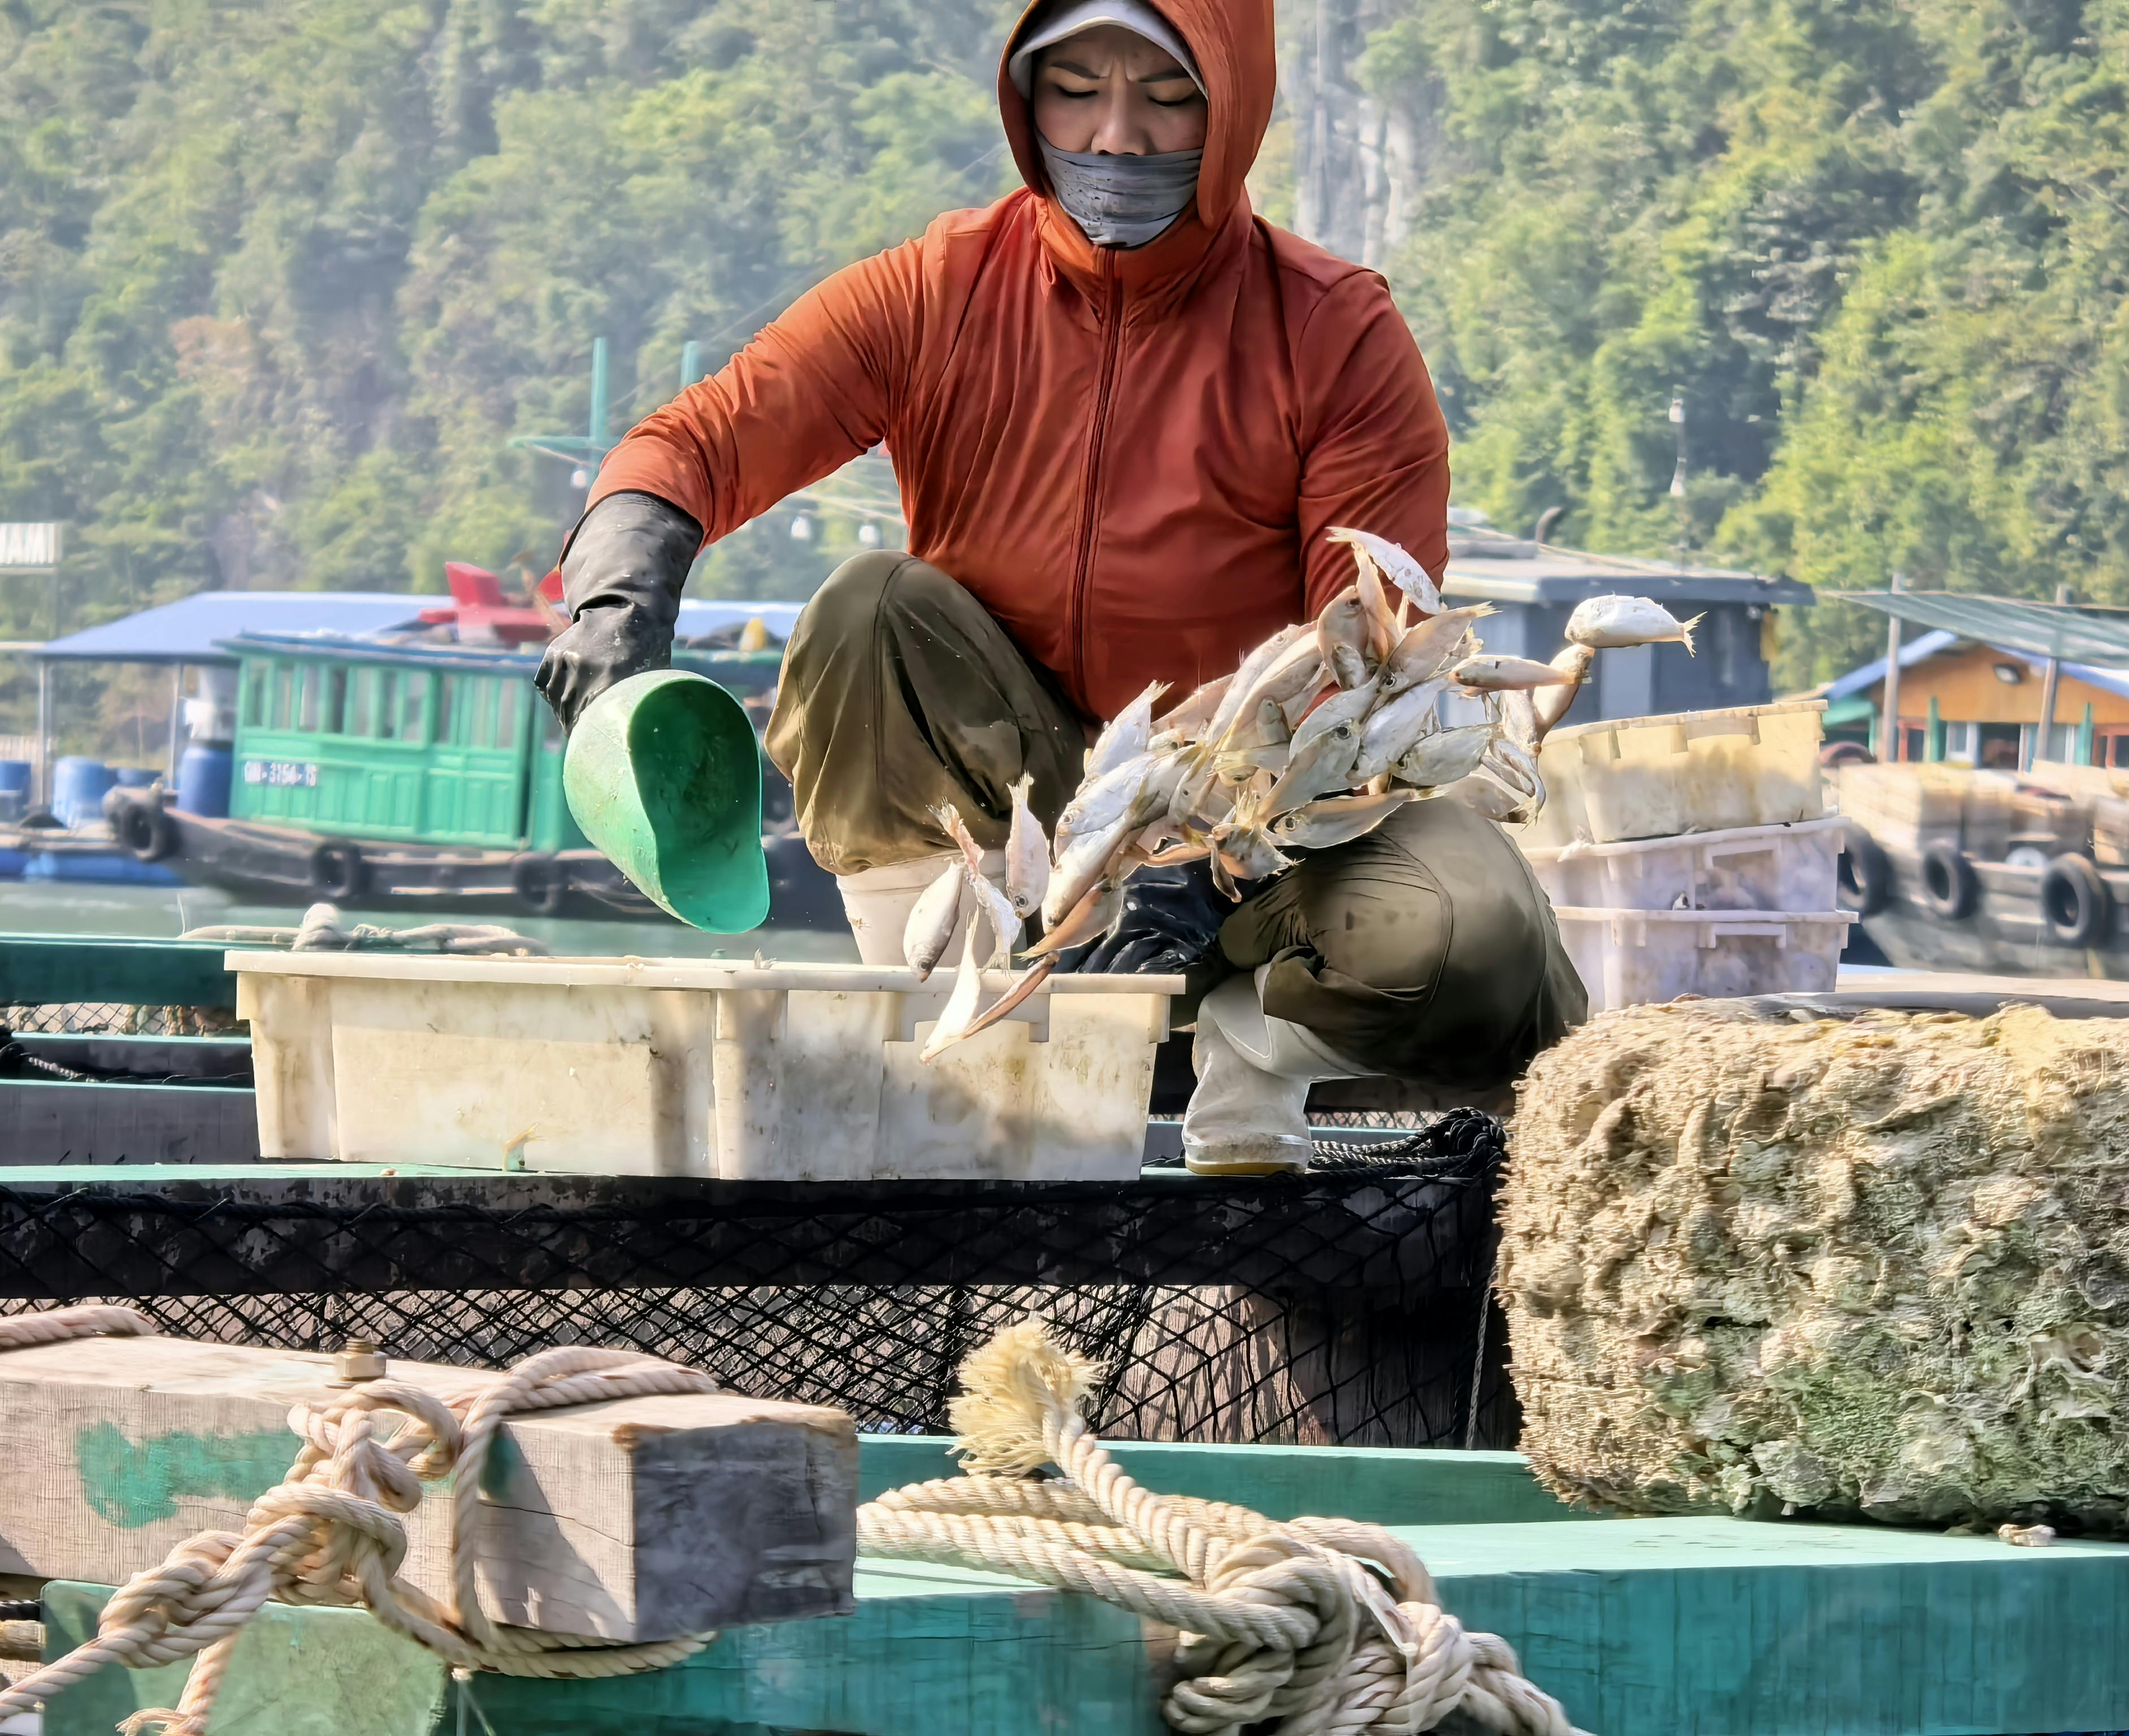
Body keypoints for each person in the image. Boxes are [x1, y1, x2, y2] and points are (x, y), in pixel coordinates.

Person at [535, 0, 1585, 1173]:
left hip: (1266, 821)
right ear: (1023, 101)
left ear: (1234, 107)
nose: (1119, 137)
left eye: (1170, 95)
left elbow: (1374, 645)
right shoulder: (935, 291)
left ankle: (1245, 1059)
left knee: (1471, 936)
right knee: (866, 610)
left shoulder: (1333, 334)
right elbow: (698, 441)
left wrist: (1191, 830)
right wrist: (616, 600)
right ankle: (930, 1031)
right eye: (1076, 88)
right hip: (1016, 819)